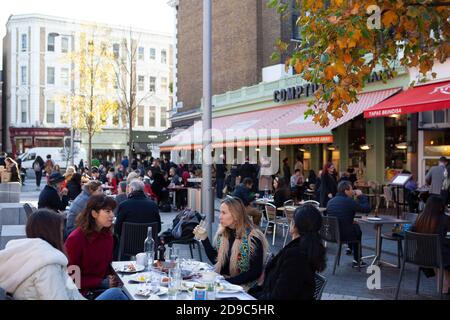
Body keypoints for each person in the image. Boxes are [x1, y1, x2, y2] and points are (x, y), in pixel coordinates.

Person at [0, 209, 128, 300]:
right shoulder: (46, 264)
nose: (63, 234)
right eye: (61, 230)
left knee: (116, 293)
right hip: (84, 292)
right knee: (117, 294)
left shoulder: (25, 255)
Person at [249, 205, 326, 300]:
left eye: (292, 220)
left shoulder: (296, 255)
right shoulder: (303, 249)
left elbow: (280, 296)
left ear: (296, 226)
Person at [193, 197, 269, 290]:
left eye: (224, 213)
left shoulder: (253, 237)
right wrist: (204, 238)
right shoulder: (224, 234)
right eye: (220, 212)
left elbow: (255, 271)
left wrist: (228, 283)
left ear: (236, 215)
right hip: (226, 284)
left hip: (247, 288)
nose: (220, 216)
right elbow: (218, 262)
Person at [65, 195, 121, 298]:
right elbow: (71, 279)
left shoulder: (108, 236)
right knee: (118, 294)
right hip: (82, 294)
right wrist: (100, 282)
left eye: (112, 211)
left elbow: (106, 266)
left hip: (102, 288)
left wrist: (110, 278)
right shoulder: (76, 239)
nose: (112, 215)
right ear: (94, 213)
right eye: (108, 211)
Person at [326, 181, 371, 267]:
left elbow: (340, 216)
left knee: (353, 226)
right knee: (357, 229)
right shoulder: (349, 201)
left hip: (332, 234)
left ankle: (350, 249)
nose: (352, 191)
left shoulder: (330, 202)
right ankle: (357, 260)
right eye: (351, 189)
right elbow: (367, 209)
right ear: (346, 190)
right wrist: (361, 196)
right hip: (344, 234)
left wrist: (350, 221)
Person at [412, 195, 450, 294]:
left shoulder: (420, 218)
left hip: (421, 257)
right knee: (444, 253)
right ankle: (445, 287)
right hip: (440, 258)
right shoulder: (446, 220)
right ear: (441, 207)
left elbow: (411, 233)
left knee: (441, 252)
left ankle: (443, 286)